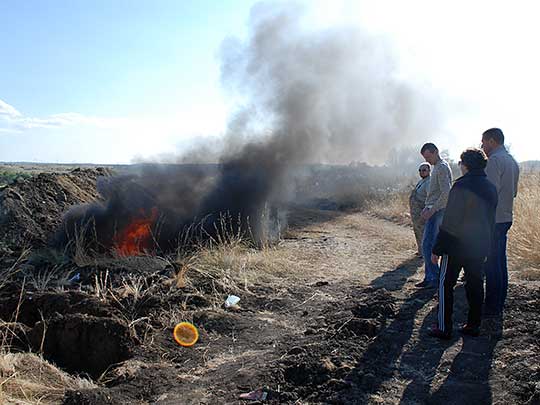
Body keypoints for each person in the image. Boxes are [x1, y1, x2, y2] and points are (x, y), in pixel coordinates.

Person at [429, 148, 498, 339]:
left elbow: (450, 221)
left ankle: (444, 327)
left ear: (465, 165)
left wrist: (437, 248)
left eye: (460, 163)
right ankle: (474, 325)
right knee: (475, 285)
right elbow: (491, 221)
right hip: (478, 247)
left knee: (445, 285)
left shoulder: (460, 186)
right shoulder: (491, 187)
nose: (459, 166)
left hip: (455, 247)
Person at [481, 128, 520, 316]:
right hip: (506, 216)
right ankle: (499, 301)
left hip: (493, 219)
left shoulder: (494, 161)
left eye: (483, 142)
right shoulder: (512, 161)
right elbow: (513, 192)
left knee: (491, 264)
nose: (482, 146)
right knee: (500, 261)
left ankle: (492, 306)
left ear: (492, 141)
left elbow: (490, 193)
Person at [416, 143, 453, 288]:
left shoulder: (442, 167)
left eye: (428, 156)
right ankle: (431, 276)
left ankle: (433, 278)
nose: (428, 160)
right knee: (428, 245)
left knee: (428, 245)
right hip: (434, 210)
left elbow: (446, 193)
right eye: (425, 158)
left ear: (435, 152)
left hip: (438, 212)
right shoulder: (438, 167)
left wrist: (431, 210)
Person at [409, 163, 431, 256]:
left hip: (422, 212)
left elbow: (430, 198)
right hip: (415, 214)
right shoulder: (421, 181)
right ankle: (420, 250)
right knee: (417, 232)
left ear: (429, 171)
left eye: (424, 170)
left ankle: (425, 253)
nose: (421, 172)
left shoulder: (429, 182)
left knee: (424, 233)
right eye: (420, 170)